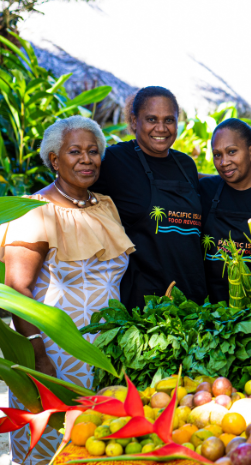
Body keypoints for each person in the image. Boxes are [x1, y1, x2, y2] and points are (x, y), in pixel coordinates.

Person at [0, 116, 134, 465]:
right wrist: (38, 356)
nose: (87, 159)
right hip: (54, 356)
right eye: (75, 151)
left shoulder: (105, 205)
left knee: (98, 455)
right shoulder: (33, 210)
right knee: (48, 452)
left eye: (93, 151)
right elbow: (17, 290)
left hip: (104, 356)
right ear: (54, 160)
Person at [90, 87, 206, 309]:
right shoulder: (114, 160)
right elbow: (73, 183)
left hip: (193, 297)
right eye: (151, 119)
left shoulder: (186, 165)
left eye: (169, 120)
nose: (161, 128)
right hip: (144, 303)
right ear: (134, 122)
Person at [200, 119, 251, 303]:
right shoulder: (204, 191)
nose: (224, 162)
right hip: (209, 311)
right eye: (217, 155)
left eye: (232, 152)